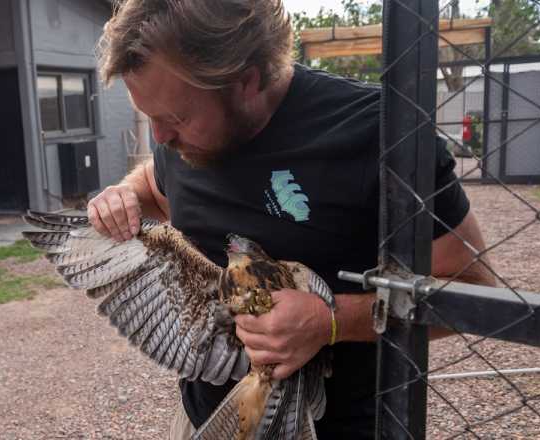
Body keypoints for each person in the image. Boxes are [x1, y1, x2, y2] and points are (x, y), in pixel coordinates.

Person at [89, 0, 496, 438]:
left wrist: (332, 320)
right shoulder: (181, 142)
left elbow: (476, 290)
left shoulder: (381, 136)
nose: (161, 138)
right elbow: (155, 184)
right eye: (151, 117)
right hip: (206, 421)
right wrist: (126, 195)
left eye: (175, 117)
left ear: (246, 81)